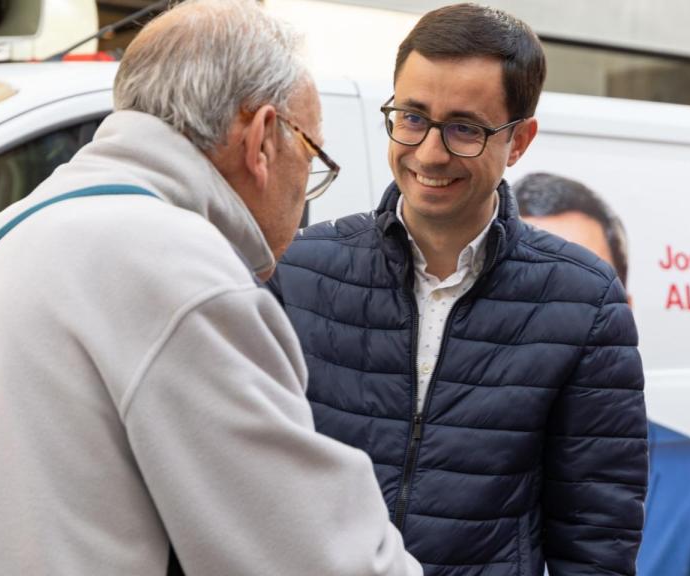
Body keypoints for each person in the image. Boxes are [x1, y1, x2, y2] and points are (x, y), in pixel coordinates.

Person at [0, 1, 421, 575]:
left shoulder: (13, 228)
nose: (307, 187)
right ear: (261, 139)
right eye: (313, 155)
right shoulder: (177, 268)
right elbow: (318, 559)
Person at [267, 4, 648, 575]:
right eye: (413, 117)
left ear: (519, 141)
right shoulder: (298, 271)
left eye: (465, 128)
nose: (429, 153)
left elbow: (596, 538)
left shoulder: (585, 302)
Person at [514, 171, 690, 576]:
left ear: (623, 315)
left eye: (584, 290)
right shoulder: (431, 472)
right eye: (526, 289)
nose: (552, 319)